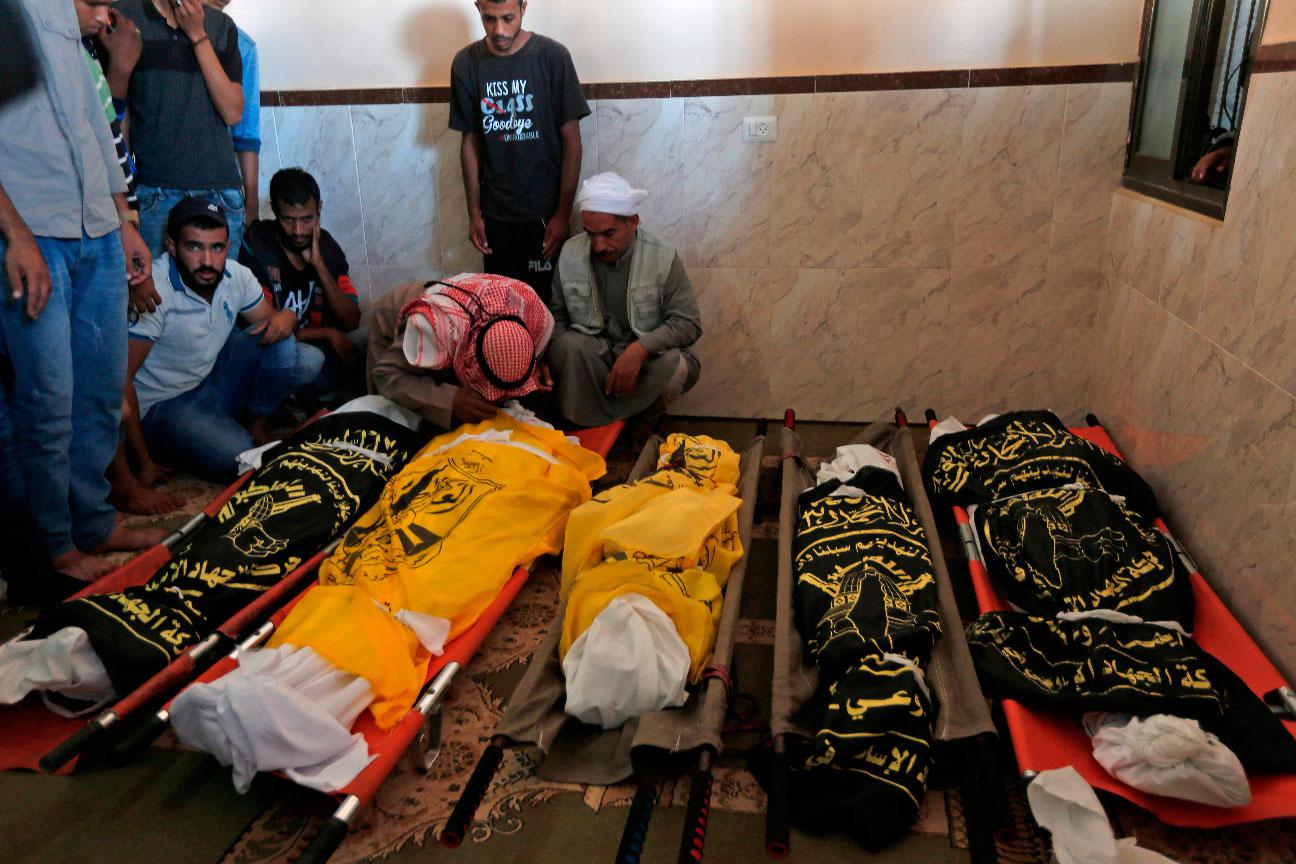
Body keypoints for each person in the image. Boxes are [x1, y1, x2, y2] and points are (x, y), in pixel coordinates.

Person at [0, 0, 158, 583]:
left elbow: (95, 119)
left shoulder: (65, 17)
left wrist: (122, 218)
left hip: (95, 224)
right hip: (32, 230)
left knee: (97, 388)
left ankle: (93, 520)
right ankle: (57, 549)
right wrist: (15, 235)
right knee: (48, 400)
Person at [120, 198, 299, 481]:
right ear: (171, 246)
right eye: (194, 247)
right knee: (240, 457)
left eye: (216, 248)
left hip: (211, 382)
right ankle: (203, 436)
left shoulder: (236, 275)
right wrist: (143, 463)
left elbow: (272, 325)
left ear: (227, 247)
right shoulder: (153, 289)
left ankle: (256, 424)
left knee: (290, 348)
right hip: (164, 406)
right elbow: (121, 379)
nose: (207, 261)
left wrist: (288, 315)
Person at [449, 0, 589, 305]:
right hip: (496, 217)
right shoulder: (466, 63)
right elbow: (470, 142)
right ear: (477, 9)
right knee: (504, 315)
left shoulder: (553, 57)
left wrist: (562, 215)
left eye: (508, 18)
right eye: (489, 19)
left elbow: (573, 142)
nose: (499, 30)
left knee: (550, 312)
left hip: (546, 216)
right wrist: (474, 213)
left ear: (524, 7)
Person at [547, 173, 701, 428]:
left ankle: (637, 426)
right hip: (594, 361)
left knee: (678, 366)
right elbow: (557, 318)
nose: (598, 246)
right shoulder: (570, 253)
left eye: (608, 234)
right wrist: (550, 359)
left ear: (633, 222)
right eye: (590, 234)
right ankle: (585, 428)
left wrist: (639, 351)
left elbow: (688, 323)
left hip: (646, 364)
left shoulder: (662, 256)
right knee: (565, 347)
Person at [116, 0, 246, 257]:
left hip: (220, 192)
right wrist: (123, 201)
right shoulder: (126, 19)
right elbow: (118, 117)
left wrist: (198, 34)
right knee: (155, 294)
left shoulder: (220, 26)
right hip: (155, 194)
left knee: (222, 295)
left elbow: (232, 112)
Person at [367, 273, 554, 430]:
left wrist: (533, 365)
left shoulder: (535, 316)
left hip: (457, 315)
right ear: (469, 355)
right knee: (391, 422)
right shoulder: (434, 328)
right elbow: (385, 375)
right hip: (397, 322)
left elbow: (513, 351)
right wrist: (450, 400)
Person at [239, 168, 359, 401]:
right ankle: (275, 403)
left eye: (307, 220)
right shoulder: (259, 246)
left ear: (319, 209)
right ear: (274, 209)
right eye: (288, 220)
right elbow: (270, 329)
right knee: (311, 359)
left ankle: (305, 395)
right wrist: (328, 333)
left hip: (311, 339)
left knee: (365, 341)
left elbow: (352, 319)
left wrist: (320, 267)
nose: (298, 231)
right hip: (272, 347)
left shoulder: (326, 246)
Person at [203, 0, 259, 226]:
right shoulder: (151, 32)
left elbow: (247, 135)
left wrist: (252, 207)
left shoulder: (242, 45)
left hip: (222, 189)